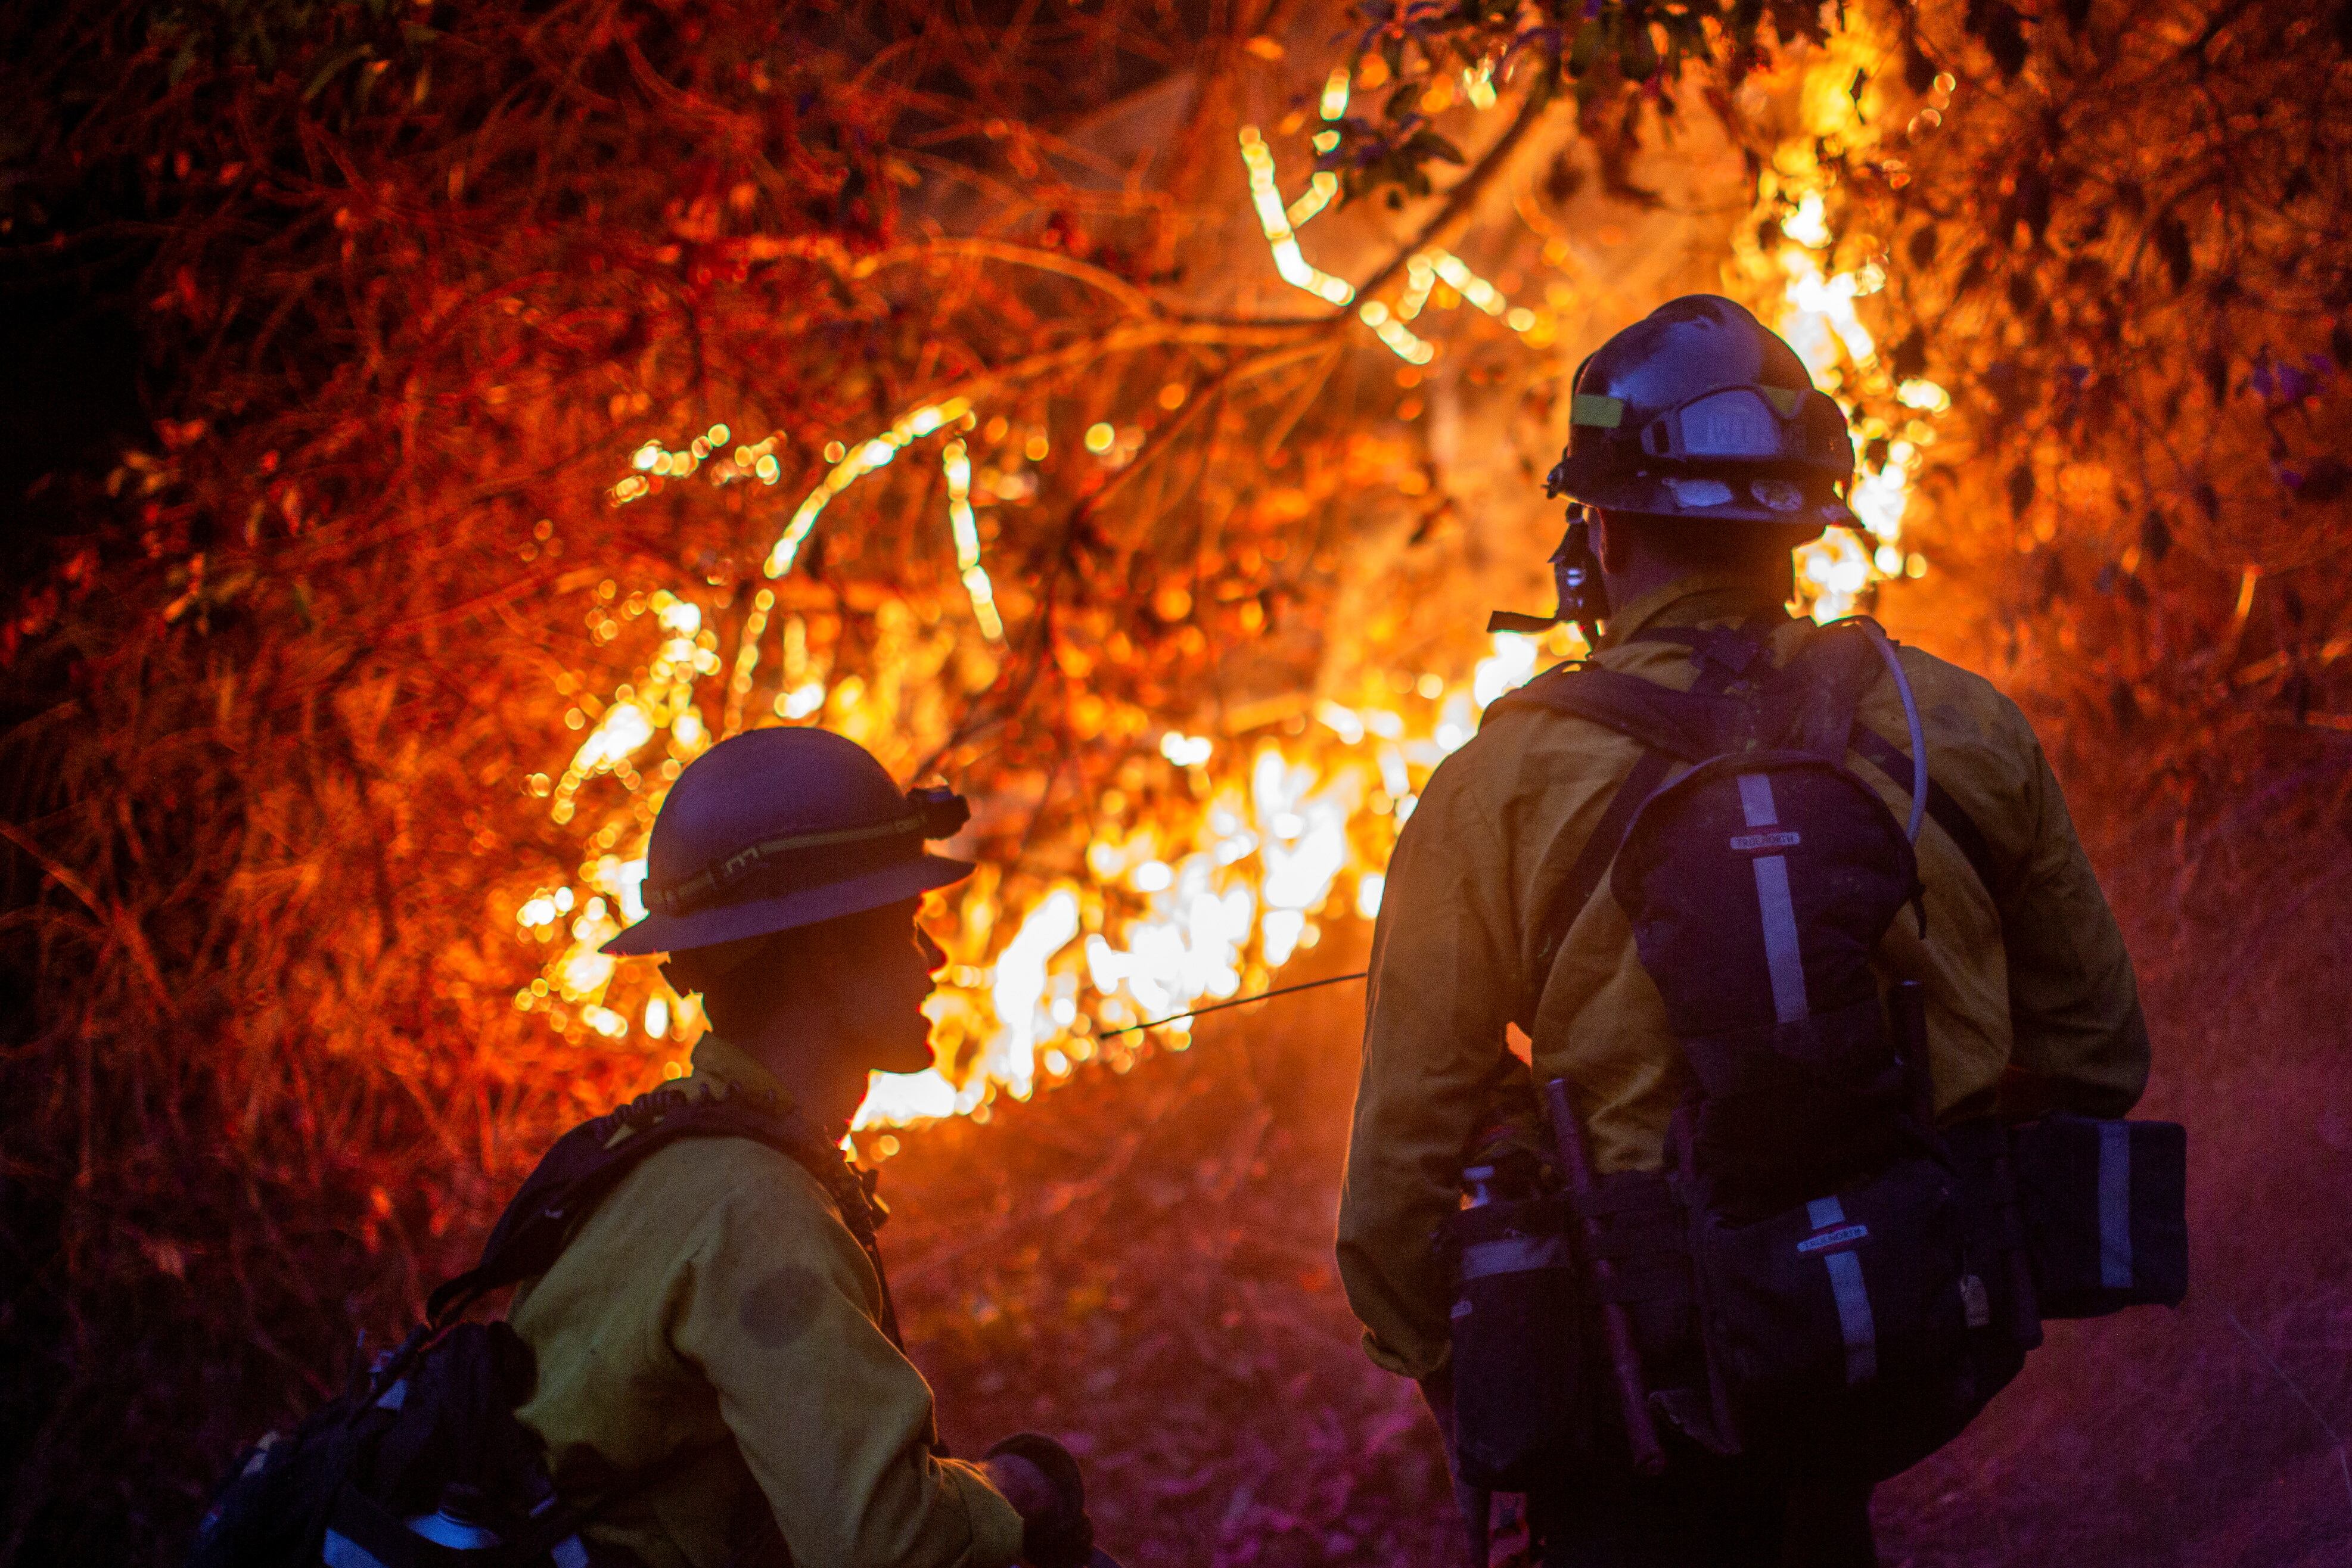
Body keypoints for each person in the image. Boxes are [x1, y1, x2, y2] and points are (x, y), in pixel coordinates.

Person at [1335, 295, 2151, 1566]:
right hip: (1900, 1349)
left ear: (1596, 531)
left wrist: (1484, 1371)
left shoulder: (1494, 787)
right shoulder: (1955, 727)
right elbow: (2100, 1055)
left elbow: (1394, 1197)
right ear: (1805, 518)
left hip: (1633, 1407)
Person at [509, 726, 1095, 1568]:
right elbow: (887, 1550)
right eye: (906, 923)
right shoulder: (760, 1209)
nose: (933, 959)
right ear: (825, 949)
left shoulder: (650, 1152)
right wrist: (1014, 1490)